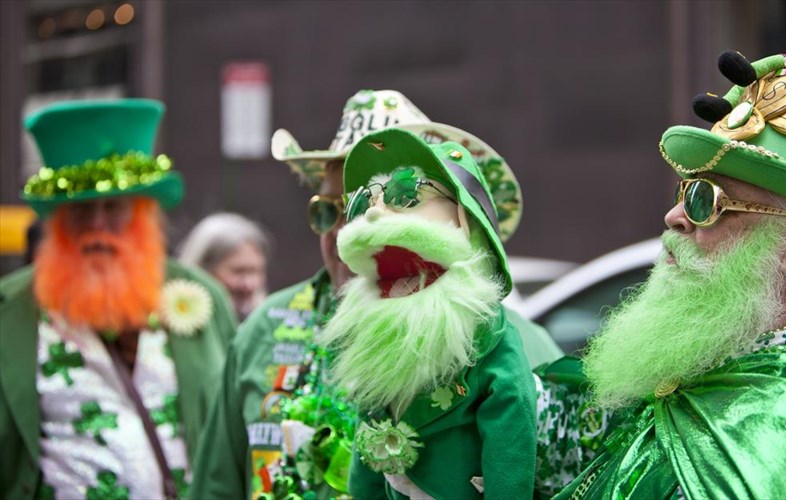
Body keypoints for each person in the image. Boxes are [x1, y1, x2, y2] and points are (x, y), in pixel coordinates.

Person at [190, 89, 561, 499]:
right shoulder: (263, 331)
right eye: (330, 210)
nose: (351, 229)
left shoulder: (514, 343)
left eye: (404, 200)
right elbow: (215, 486)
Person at [539, 50, 786, 499]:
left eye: (706, 199)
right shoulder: (702, 366)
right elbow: (544, 429)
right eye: (684, 190)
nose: (674, 216)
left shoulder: (775, 423)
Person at [0, 99, 238, 500]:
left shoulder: (204, 298)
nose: (97, 225)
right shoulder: (10, 310)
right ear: (56, 220)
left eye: (114, 207)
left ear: (144, 214)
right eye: (81, 209)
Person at [320, 128, 537, 498]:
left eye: (405, 192)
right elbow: (367, 445)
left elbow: (511, 441)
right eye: (362, 201)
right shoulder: (375, 331)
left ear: (463, 218)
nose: (375, 212)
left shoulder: (489, 335)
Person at [178, 212, 271, 322]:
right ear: (202, 270)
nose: (250, 284)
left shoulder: (268, 325)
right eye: (239, 272)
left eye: (256, 271)